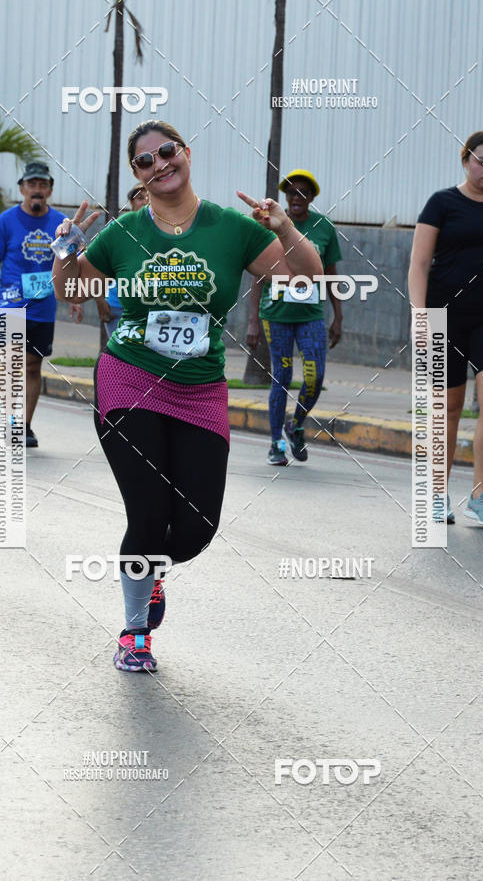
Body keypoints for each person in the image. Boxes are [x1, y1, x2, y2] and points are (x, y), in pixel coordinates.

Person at [52, 120, 323, 672]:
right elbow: (72, 289)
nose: (159, 165)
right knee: (148, 513)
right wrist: (64, 250)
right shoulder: (125, 231)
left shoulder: (230, 227)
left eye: (166, 153)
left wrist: (284, 229)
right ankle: (134, 634)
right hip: (130, 377)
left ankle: (150, 572)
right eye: (145, 161)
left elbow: (306, 277)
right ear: (137, 174)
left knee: (197, 526)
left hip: (200, 389)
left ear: (186, 154)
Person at [408, 130, 483, 527]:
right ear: (465, 161)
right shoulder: (442, 204)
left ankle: (481, 496)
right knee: (447, 409)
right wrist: (419, 315)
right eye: (482, 161)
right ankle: (438, 494)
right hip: (443, 316)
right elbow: (419, 265)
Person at [0, 162, 80, 448]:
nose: (37, 190)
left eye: (43, 185)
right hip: (11, 304)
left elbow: (70, 264)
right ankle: (11, 422)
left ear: (50, 190)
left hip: (43, 308)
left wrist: (74, 296)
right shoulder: (6, 221)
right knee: (11, 365)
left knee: (33, 368)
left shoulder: (59, 224)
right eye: (32, 185)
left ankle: (25, 426)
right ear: (22, 188)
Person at [247, 169, 343, 465]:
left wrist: (338, 316)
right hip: (276, 316)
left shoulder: (324, 227)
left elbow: (331, 275)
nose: (296, 198)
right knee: (282, 378)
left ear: (311, 197)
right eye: (291, 193)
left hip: (311, 316)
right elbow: (258, 278)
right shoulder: (269, 226)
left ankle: (296, 425)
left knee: (315, 377)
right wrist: (252, 321)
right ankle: (276, 443)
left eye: (303, 193)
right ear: (285, 198)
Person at [97, 183, 149, 340]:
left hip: (151, 309)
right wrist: (100, 299)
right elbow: (98, 264)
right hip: (117, 306)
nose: (146, 202)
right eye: (140, 198)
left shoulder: (166, 231)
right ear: (131, 202)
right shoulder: (117, 228)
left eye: (150, 197)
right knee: (120, 357)